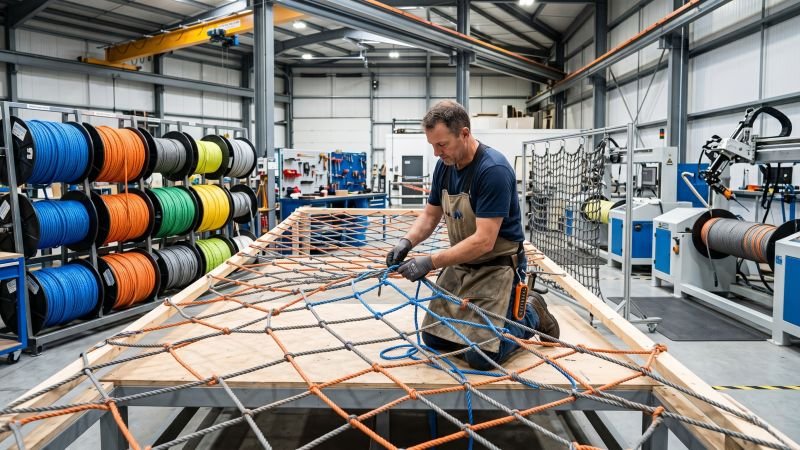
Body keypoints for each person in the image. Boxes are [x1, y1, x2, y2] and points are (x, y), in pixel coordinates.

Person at [385, 100, 560, 370]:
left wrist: (430, 262)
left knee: (481, 357)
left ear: (464, 134)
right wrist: (406, 241)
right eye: (432, 145)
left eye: (441, 144)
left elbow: (483, 241)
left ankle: (532, 313)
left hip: (495, 269)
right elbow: (431, 215)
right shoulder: (445, 166)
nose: (436, 152)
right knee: (434, 339)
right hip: (462, 266)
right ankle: (489, 327)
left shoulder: (492, 170)